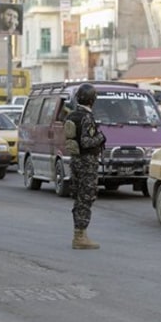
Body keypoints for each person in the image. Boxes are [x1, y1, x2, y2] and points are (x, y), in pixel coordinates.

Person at [64, 83, 106, 249]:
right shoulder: (87, 117)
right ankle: (80, 236)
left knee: (79, 196)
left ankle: (79, 234)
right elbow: (86, 141)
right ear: (92, 99)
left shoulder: (72, 115)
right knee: (86, 197)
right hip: (87, 161)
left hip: (75, 160)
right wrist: (101, 137)